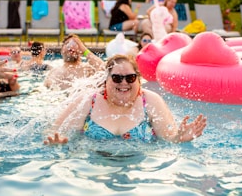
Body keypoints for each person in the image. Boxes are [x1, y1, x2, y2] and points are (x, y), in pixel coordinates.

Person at [44, 54, 207, 145]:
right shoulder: (88, 101)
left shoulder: (150, 101)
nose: (123, 83)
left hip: (139, 174)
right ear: (105, 81)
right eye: (116, 78)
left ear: (138, 80)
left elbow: (169, 139)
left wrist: (180, 138)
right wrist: (57, 144)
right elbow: (56, 132)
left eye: (130, 78)